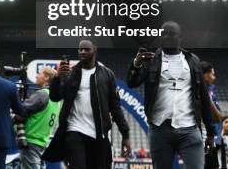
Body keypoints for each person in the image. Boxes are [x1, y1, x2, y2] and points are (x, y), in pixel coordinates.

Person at [126, 21, 215, 169]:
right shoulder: (151, 60)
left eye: (171, 33)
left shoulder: (193, 61)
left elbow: (204, 97)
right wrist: (136, 63)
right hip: (160, 129)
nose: (166, 36)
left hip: (190, 128)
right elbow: (131, 83)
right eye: (163, 33)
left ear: (181, 37)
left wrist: (210, 133)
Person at [43, 39, 131, 169]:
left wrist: (126, 134)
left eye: (86, 49)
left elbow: (115, 107)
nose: (82, 52)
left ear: (95, 50)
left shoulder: (107, 74)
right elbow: (55, 97)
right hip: (74, 130)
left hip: (99, 134)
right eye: (80, 49)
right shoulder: (70, 74)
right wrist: (57, 78)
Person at [13, 66, 61, 169]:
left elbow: (21, 110)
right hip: (41, 142)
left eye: (39, 73)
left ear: (47, 77)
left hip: (31, 142)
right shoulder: (55, 98)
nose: (36, 75)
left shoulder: (42, 95)